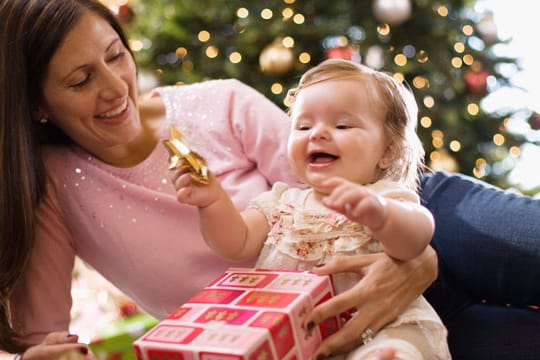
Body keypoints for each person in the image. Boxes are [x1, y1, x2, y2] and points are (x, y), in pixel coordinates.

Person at [1, 1, 539, 360]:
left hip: (420, 216)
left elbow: (334, 179)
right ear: (37, 105)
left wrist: (420, 257)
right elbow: (38, 339)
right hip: (345, 335)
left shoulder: (219, 103)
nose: (114, 86)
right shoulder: (51, 190)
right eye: (79, 80)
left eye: (115, 55)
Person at [172, 58, 450, 359]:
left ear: (387, 151)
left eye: (342, 125)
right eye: (303, 126)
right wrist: (212, 201)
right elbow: (235, 243)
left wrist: (381, 215)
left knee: (397, 350)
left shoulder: (382, 197)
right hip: (301, 340)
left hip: (383, 327)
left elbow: (417, 236)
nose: (316, 133)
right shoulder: (280, 202)